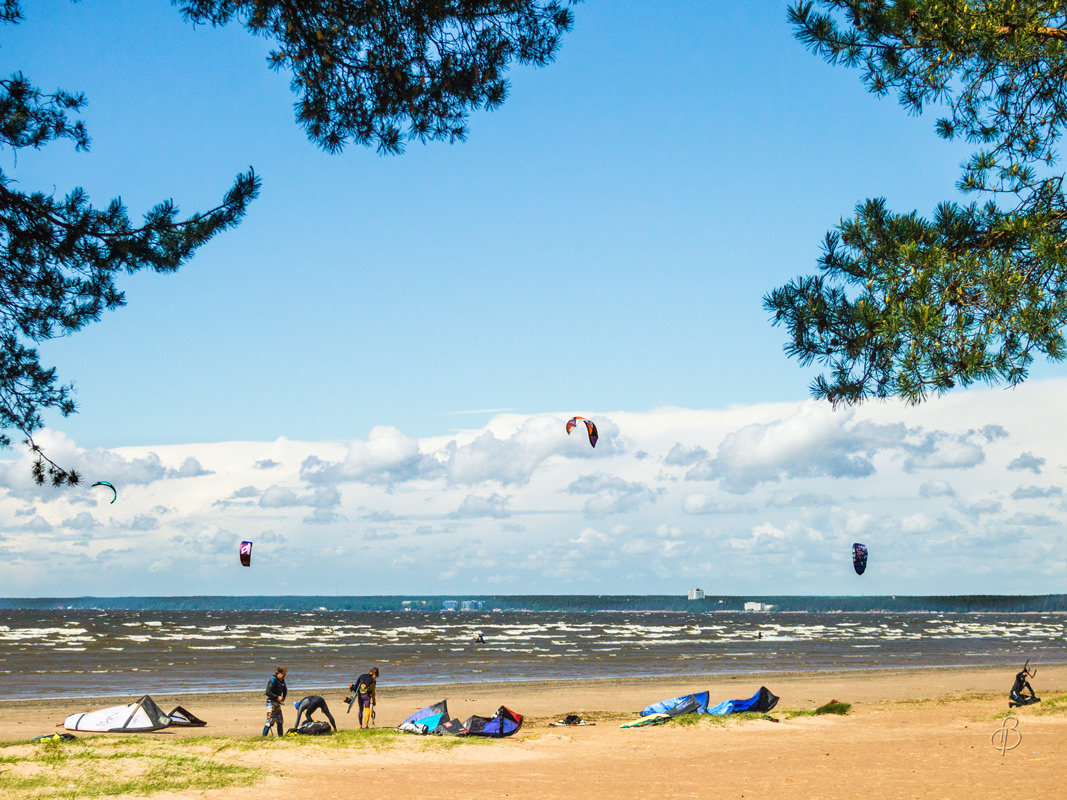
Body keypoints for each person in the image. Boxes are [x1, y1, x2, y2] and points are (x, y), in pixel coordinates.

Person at [262, 665, 287, 736]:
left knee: (280, 721)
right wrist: (277, 697)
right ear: (278, 673)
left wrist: (283, 698)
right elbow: (267, 692)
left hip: (277, 704)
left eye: (285, 675)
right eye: (283, 675)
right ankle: (263, 738)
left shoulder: (282, 680)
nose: (284, 677)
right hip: (270, 703)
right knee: (270, 721)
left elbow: (285, 690)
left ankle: (281, 737)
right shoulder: (272, 679)